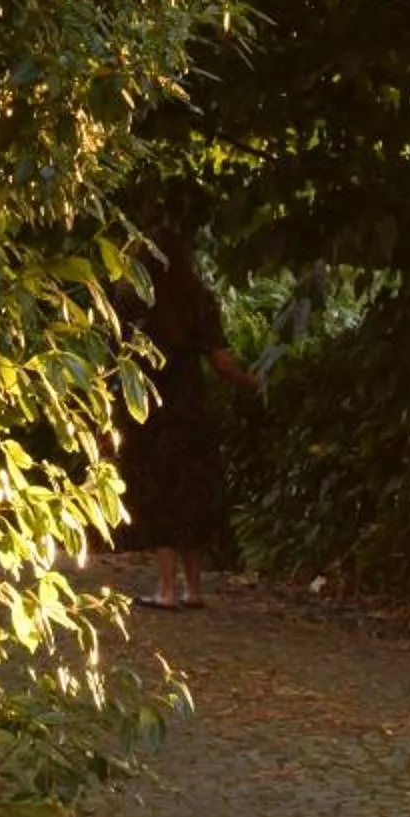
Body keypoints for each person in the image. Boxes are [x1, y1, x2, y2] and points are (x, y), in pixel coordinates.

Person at [117, 225, 260, 609]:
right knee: (193, 493)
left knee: (160, 493)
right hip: (192, 408)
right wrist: (253, 381)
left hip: (150, 409)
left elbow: (119, 358)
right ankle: (193, 589)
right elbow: (220, 359)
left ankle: (165, 588)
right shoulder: (198, 299)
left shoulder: (135, 301)